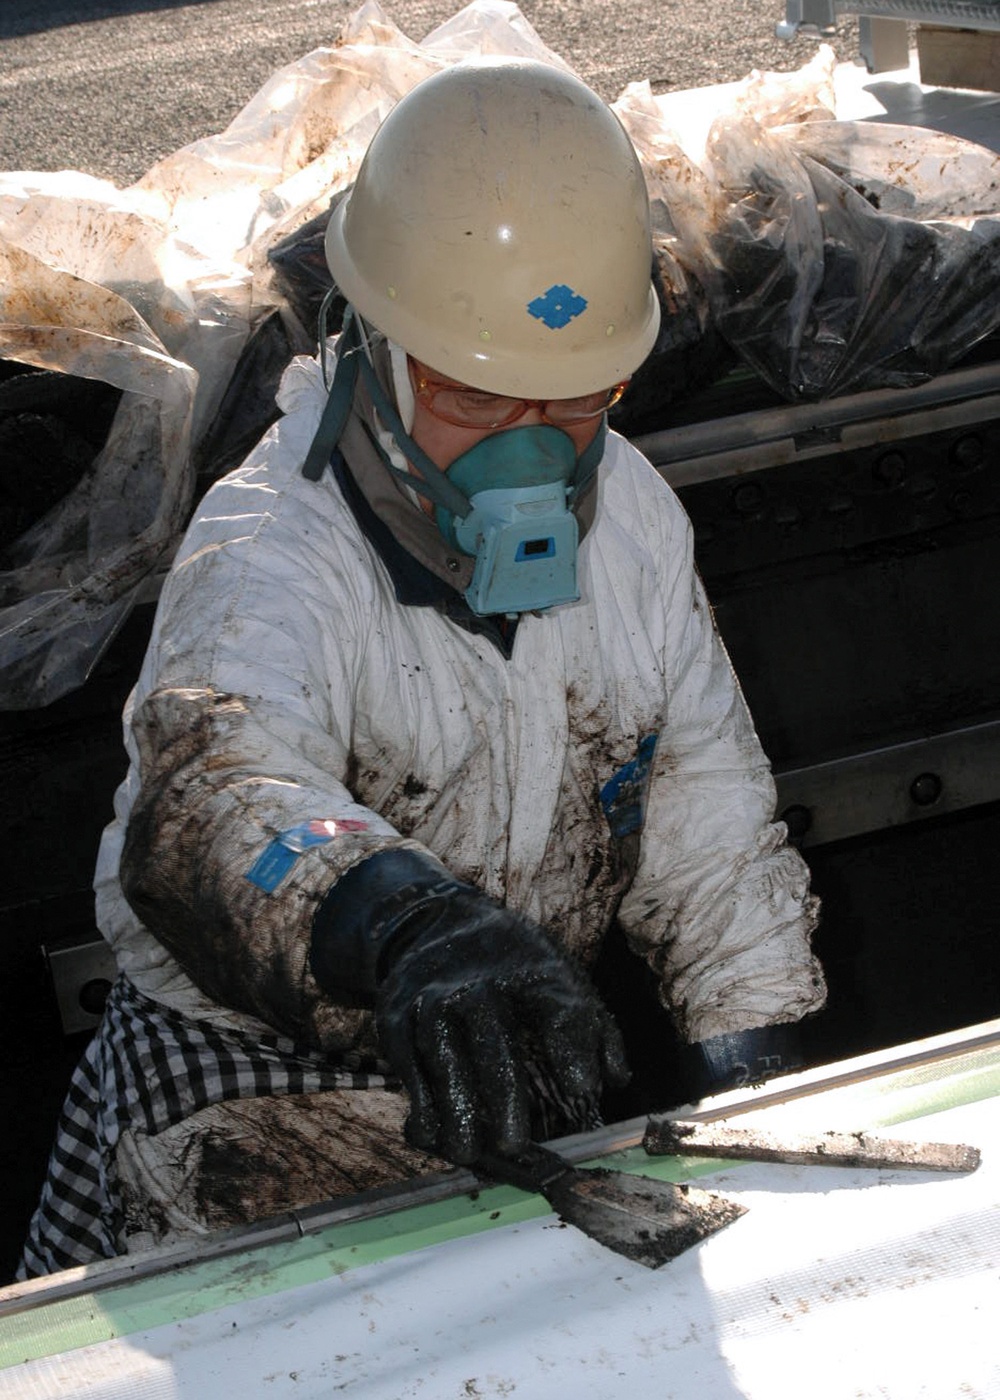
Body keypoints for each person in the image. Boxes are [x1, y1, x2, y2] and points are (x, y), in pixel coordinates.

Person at [20, 57, 826, 1277]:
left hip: (492, 1065)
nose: (531, 454)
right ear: (376, 349)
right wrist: (398, 920)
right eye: (472, 395)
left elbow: (702, 816)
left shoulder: (638, 522)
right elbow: (215, 789)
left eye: (573, 399)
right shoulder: (271, 549)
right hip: (249, 1102)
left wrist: (755, 1061)